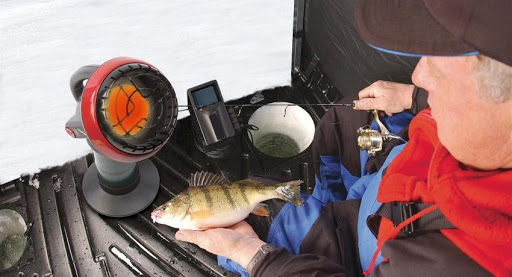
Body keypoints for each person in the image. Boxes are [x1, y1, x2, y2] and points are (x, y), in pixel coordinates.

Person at [176, 0, 512, 276]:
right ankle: (327, 202)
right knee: (345, 118)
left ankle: (322, 224)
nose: (418, 75)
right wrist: (416, 99)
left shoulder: (455, 264)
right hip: (385, 189)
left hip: (356, 253)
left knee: (254, 218)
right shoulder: (486, 134)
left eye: (440, 73)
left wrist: (258, 257)